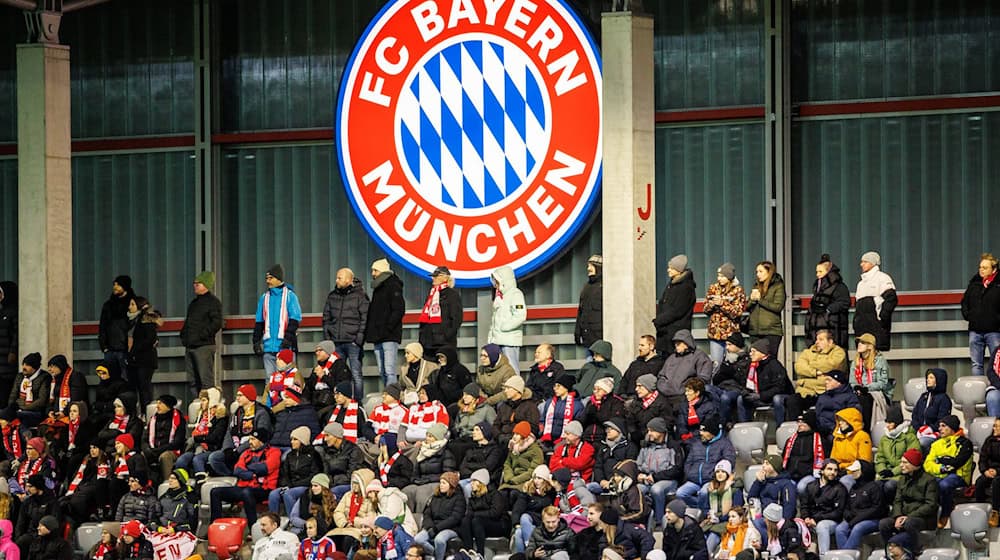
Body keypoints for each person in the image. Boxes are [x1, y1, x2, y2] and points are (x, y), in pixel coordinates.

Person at [210, 429, 281, 527]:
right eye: (250, 439)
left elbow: (265, 468)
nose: (250, 442)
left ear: (261, 441)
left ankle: (252, 528)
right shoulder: (246, 453)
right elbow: (237, 470)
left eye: (253, 439)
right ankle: (215, 525)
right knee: (215, 492)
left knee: (247, 492)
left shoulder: (274, 452)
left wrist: (247, 468)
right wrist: (253, 474)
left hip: (264, 489)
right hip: (244, 487)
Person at [878, 448, 938, 551]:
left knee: (909, 523)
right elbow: (897, 500)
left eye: (905, 462)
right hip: (904, 516)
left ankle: (915, 550)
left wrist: (909, 516)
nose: (901, 465)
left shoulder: (929, 480)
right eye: (901, 462)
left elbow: (931, 505)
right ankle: (891, 549)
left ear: (914, 464)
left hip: (923, 518)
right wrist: (898, 516)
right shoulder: (902, 479)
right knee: (884, 524)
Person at [323, 268, 369, 399]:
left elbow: (365, 318)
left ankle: (358, 404)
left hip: (353, 342)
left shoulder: (360, 296)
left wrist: (359, 339)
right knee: (338, 374)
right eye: (337, 277)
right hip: (336, 342)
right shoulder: (332, 296)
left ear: (349, 280)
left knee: (356, 374)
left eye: (340, 278)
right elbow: (326, 317)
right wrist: (328, 339)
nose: (337, 280)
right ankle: (339, 401)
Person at [179, 270, 222, 402]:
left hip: (203, 346)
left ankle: (209, 410)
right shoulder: (194, 303)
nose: (195, 285)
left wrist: (202, 336)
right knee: (192, 380)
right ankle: (198, 405)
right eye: (195, 283)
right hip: (191, 345)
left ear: (207, 285)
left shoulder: (213, 302)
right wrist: (184, 335)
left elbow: (217, 322)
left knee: (206, 381)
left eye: (199, 283)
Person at [253, 264, 303, 376]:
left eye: (270, 278)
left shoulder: (290, 296)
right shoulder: (264, 298)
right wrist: (256, 342)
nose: (267, 281)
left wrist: (288, 340)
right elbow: (259, 322)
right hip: (268, 348)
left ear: (278, 278)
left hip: (285, 348)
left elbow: (295, 320)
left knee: (287, 381)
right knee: (270, 382)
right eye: (266, 278)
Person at [923, 414, 973, 526]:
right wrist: (940, 468)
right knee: (926, 485)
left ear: (952, 427)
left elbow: (958, 462)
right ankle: (929, 517)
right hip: (940, 475)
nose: (939, 428)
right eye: (939, 426)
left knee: (944, 485)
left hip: (959, 476)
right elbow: (927, 464)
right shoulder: (936, 444)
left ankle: (945, 513)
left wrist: (941, 460)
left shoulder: (964, 443)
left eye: (943, 426)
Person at [269, 425, 322, 530]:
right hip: (292, 485)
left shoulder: (313, 455)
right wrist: (288, 485)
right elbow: (285, 474)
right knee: (273, 494)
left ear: (302, 440)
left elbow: (315, 475)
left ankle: (293, 523)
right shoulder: (289, 455)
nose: (292, 442)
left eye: (295, 439)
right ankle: (273, 524)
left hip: (306, 486)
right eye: (291, 439)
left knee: (288, 494)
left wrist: (293, 486)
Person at [676, 416, 735, 508]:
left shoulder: (724, 444)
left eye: (704, 431)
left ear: (712, 432)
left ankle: (703, 513)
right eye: (700, 430)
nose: (700, 433)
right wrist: (690, 474)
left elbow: (728, 462)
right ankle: (702, 507)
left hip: (711, 480)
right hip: (694, 480)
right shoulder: (696, 444)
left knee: (703, 493)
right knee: (680, 493)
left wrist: (715, 478)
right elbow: (688, 462)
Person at [789, 329, 848, 421]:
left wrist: (810, 365)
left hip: (826, 390)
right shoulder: (807, 352)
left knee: (826, 403)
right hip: (806, 391)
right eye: (817, 339)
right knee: (792, 401)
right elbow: (799, 367)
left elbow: (832, 365)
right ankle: (796, 429)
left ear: (830, 342)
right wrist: (816, 373)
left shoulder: (838, 352)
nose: (817, 342)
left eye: (821, 339)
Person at [635, 417, 682, 530]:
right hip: (647, 479)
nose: (649, 433)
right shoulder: (645, 446)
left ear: (660, 432)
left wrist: (656, 477)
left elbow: (677, 469)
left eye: (651, 430)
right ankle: (639, 520)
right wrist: (639, 474)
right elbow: (638, 464)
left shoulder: (673, 446)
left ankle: (659, 521)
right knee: (637, 489)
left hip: (668, 480)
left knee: (656, 489)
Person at [367, 258, 406, 387]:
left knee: (389, 370)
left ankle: (392, 396)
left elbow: (398, 309)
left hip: (388, 335)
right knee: (382, 370)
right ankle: (388, 394)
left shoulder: (392, 285)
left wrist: (388, 328)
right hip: (379, 335)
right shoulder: (379, 287)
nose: (373, 273)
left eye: (375, 270)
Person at [656, 329, 713, 417]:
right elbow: (661, 376)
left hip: (684, 396)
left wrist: (686, 390)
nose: (676, 345)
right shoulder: (672, 357)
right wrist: (664, 388)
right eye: (675, 343)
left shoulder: (699, 356)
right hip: (665, 396)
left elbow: (703, 378)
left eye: (678, 343)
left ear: (687, 343)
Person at [735, 339, 792, 424]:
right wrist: (745, 391)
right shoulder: (751, 365)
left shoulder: (774, 365)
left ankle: (780, 427)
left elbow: (780, 387)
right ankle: (745, 427)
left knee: (777, 399)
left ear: (762, 353)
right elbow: (744, 382)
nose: (750, 354)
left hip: (775, 396)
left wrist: (761, 396)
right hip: (759, 396)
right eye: (750, 351)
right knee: (741, 399)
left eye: (753, 351)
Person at [175, 388, 227, 480]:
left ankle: (200, 484)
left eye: (204, 400)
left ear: (211, 401)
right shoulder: (200, 416)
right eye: (201, 400)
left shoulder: (220, 417)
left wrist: (197, 439)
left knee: (197, 459)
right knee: (181, 461)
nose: (201, 403)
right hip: (196, 448)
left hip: (212, 449)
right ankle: (181, 484)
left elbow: (215, 438)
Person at [962, 253, 1000, 376]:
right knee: (976, 364)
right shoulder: (974, 284)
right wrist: (969, 316)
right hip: (975, 330)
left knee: (997, 362)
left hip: (994, 331)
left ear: (994, 269)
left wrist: (996, 320)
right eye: (980, 267)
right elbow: (964, 303)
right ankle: (978, 393)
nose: (981, 270)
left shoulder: (998, 285)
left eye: (985, 267)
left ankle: (996, 391)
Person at [835, 459, 886, 550]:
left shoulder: (874, 487)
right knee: (840, 529)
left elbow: (877, 508)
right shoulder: (854, 487)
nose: (852, 473)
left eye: (855, 471)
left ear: (863, 471)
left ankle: (845, 556)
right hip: (854, 519)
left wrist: (857, 519)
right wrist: (847, 514)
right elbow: (847, 506)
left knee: (858, 528)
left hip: (873, 519)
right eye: (852, 471)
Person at [414, 471, 465, 560]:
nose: (441, 485)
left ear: (451, 484)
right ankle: (437, 554)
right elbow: (427, 513)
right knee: (418, 539)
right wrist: (429, 526)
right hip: (433, 526)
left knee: (439, 540)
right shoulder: (435, 497)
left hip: (451, 528)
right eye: (440, 482)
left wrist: (436, 528)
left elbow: (455, 518)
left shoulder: (459, 498)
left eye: (444, 483)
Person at [704, 263, 747, 368]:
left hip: (730, 335)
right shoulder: (713, 288)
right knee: (715, 366)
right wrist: (711, 305)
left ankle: (730, 384)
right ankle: (715, 384)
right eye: (718, 276)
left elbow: (738, 312)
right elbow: (705, 309)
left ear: (729, 277)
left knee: (731, 364)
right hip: (715, 334)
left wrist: (723, 304)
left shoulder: (738, 290)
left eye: (722, 276)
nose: (719, 278)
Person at [799, 459, 847, 554]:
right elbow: (804, 505)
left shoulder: (840, 488)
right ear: (822, 470)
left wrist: (816, 519)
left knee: (822, 526)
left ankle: (824, 556)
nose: (833, 472)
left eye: (835, 470)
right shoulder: (810, 486)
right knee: (796, 525)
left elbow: (837, 513)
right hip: (811, 519)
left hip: (831, 521)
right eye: (829, 469)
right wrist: (806, 517)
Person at [854, 251, 898, 351]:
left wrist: (882, 317)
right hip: (862, 328)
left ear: (872, 263)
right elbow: (858, 305)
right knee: (863, 355)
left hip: (877, 327)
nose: (861, 264)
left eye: (864, 261)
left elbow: (891, 299)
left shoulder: (882, 278)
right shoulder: (861, 284)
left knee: (876, 356)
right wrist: (856, 322)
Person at [653, 254, 696, 355]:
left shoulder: (686, 287)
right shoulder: (671, 284)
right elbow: (662, 304)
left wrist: (660, 320)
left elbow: (678, 310)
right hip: (665, 332)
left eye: (672, 268)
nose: (668, 270)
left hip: (676, 333)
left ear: (679, 270)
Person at [805, 254, 851, 348]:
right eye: (817, 272)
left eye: (820, 271)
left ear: (828, 272)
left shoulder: (839, 286)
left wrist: (828, 309)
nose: (817, 274)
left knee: (833, 356)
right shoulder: (818, 288)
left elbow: (845, 302)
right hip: (818, 329)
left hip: (832, 329)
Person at [697, 461, 744, 554]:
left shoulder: (735, 490)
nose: (720, 474)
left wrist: (719, 518)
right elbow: (705, 507)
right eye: (717, 472)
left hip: (726, 523)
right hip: (710, 523)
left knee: (711, 540)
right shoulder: (711, 489)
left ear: (728, 473)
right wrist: (709, 515)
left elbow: (736, 511)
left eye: (723, 471)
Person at [459, 469, 509, 555]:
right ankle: (468, 551)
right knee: (465, 521)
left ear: (481, 482)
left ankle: (480, 553)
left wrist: (475, 514)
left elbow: (495, 513)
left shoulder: (495, 494)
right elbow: (469, 514)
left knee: (476, 520)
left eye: (474, 481)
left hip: (499, 524)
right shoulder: (473, 496)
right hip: (480, 525)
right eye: (471, 481)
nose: (471, 484)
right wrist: (471, 515)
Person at [748, 454, 797, 538]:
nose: (763, 466)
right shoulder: (762, 481)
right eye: (763, 463)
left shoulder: (786, 483)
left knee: (756, 523)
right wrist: (758, 482)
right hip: (762, 517)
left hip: (777, 520)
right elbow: (751, 498)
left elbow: (789, 506)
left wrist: (783, 524)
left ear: (775, 467)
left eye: (767, 463)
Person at [418, 266, 463, 357]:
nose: (433, 278)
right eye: (433, 276)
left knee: (444, 367)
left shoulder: (452, 295)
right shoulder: (431, 294)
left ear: (445, 277)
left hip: (444, 342)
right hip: (428, 342)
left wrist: (447, 335)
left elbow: (456, 318)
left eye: (436, 276)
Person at [875, 406, 919, 498]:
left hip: (904, 474)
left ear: (896, 423)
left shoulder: (910, 437)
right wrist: (882, 470)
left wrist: (893, 472)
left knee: (889, 486)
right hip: (887, 473)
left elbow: (911, 460)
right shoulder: (884, 439)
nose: (887, 425)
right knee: (875, 487)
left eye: (890, 422)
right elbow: (880, 458)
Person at [489, 265, 527, 372]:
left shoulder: (515, 294)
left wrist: (504, 327)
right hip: (497, 340)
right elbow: (495, 319)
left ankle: (516, 389)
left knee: (512, 368)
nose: (495, 284)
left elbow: (520, 315)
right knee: (499, 370)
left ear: (504, 280)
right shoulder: (500, 297)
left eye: (497, 281)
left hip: (510, 341)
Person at [99, 275, 136, 381]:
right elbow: (102, 326)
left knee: (126, 379)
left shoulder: (133, 304)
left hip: (125, 350)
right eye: (114, 284)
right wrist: (104, 346)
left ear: (125, 286)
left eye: (118, 284)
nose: (115, 287)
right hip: (110, 349)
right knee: (108, 379)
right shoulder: (108, 305)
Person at [141, 394, 185, 483]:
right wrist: (147, 450)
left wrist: (158, 450)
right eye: (157, 403)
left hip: (171, 451)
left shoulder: (179, 419)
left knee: (165, 456)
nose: (157, 406)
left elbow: (178, 442)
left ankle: (167, 483)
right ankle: (146, 484)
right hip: (153, 450)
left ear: (168, 406)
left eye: (160, 403)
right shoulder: (153, 419)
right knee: (141, 456)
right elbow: (144, 439)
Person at [852, 332, 892, 430]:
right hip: (860, 392)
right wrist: (857, 387)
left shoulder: (880, 361)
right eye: (858, 342)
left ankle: (867, 430)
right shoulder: (855, 362)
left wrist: (866, 388)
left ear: (870, 346)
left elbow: (883, 383)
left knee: (865, 400)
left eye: (862, 343)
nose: (859, 344)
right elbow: (852, 381)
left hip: (878, 393)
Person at [127, 296, 161, 410]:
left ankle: (146, 412)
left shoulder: (145, 319)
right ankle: (140, 412)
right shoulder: (133, 321)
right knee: (136, 387)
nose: (129, 307)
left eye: (132, 304)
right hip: (135, 359)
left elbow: (149, 339)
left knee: (144, 387)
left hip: (144, 360)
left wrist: (134, 350)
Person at [781, 411, 828, 494]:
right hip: (790, 474)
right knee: (786, 487)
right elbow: (783, 458)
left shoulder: (820, 441)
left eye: (803, 422)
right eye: (798, 422)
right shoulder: (790, 440)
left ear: (810, 424)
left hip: (810, 475)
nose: (799, 425)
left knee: (801, 487)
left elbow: (824, 461)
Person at [588, 419, 638, 496]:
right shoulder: (603, 447)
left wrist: (613, 482)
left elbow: (629, 467)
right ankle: (595, 508)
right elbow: (598, 467)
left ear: (619, 431)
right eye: (607, 429)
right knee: (589, 487)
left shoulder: (629, 447)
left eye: (611, 429)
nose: (608, 431)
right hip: (604, 483)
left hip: (622, 483)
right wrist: (601, 481)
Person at [746, 261, 786, 357]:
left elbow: (778, 306)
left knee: (769, 359)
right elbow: (747, 307)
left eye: (760, 271)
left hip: (771, 331)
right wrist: (752, 300)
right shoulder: (756, 286)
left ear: (769, 272)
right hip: (755, 331)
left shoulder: (778, 286)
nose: (758, 274)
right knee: (755, 360)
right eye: (757, 272)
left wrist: (760, 300)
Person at [829, 408, 873, 486]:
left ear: (851, 422)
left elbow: (864, 461)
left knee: (844, 482)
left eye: (842, 420)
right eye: (839, 420)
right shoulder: (837, 437)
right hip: (839, 471)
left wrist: (847, 471)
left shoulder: (862, 436)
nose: (839, 423)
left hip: (856, 472)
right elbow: (833, 459)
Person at [624, 374, 671, 445]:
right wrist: (634, 434)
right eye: (636, 386)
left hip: (656, 441)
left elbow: (666, 424)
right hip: (637, 440)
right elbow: (630, 421)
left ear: (648, 387)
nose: (636, 389)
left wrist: (647, 434)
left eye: (640, 386)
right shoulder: (636, 402)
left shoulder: (662, 403)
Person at [911, 368, 952, 449]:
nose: (927, 380)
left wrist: (929, 429)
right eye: (927, 377)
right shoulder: (924, 396)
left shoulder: (944, 399)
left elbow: (942, 420)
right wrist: (918, 429)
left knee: (921, 442)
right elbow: (914, 415)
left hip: (936, 432)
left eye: (931, 378)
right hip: (919, 431)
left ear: (938, 380)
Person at [814, 369, 861, 440]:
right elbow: (817, 415)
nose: (826, 382)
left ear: (839, 382)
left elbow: (852, 417)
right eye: (826, 380)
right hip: (821, 430)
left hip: (838, 432)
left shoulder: (850, 397)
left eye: (829, 380)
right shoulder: (822, 397)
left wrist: (834, 428)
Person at [501, 422, 545, 497]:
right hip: (511, 480)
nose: (514, 437)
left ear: (524, 436)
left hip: (526, 481)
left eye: (517, 434)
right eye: (514, 434)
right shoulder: (513, 448)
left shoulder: (535, 450)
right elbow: (507, 464)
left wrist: (516, 480)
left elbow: (533, 470)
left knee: (514, 494)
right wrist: (509, 477)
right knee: (501, 494)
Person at [8, 352, 49, 428]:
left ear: (34, 368)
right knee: (9, 414)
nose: (24, 367)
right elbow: (13, 395)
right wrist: (12, 407)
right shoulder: (20, 376)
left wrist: (24, 407)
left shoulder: (45, 377)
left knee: (18, 416)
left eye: (27, 365)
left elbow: (41, 401)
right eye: (23, 364)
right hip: (19, 410)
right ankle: (26, 436)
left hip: (36, 412)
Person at [580, 378, 626, 445]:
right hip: (587, 437)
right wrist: (587, 415)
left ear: (606, 391)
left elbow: (613, 421)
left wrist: (596, 414)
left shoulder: (616, 402)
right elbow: (583, 421)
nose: (595, 391)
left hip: (604, 438)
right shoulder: (590, 402)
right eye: (594, 389)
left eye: (599, 389)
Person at [619, 336, 665, 401]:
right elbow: (624, 380)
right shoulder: (635, 364)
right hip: (627, 399)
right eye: (639, 345)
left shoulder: (659, 364)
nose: (639, 348)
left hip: (645, 401)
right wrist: (622, 395)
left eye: (642, 345)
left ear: (651, 347)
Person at [973, 417, 1000, 527]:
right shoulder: (989, 441)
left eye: (997, 426)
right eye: (994, 426)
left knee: (997, 483)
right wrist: (985, 471)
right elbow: (982, 459)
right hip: (989, 471)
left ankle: (995, 512)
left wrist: (997, 471)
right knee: (980, 482)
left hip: (998, 473)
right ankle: (980, 510)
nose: (994, 428)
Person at [574, 255, 603, 350]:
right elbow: (581, 312)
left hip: (599, 340)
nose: (588, 268)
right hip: (588, 339)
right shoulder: (586, 287)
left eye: (591, 266)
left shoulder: (605, 286)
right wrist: (577, 332)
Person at [154, 469, 196, 533]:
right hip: (162, 531)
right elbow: (155, 517)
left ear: (181, 481)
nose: (170, 480)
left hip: (181, 532)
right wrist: (158, 528)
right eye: (170, 478)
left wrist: (175, 529)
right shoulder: (163, 497)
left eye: (174, 478)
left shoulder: (189, 498)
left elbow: (192, 523)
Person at [0, 281, 17, 409]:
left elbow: (16, 334)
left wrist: (13, 351)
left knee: (5, 390)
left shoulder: (13, 312)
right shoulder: (2, 312)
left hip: (7, 362)